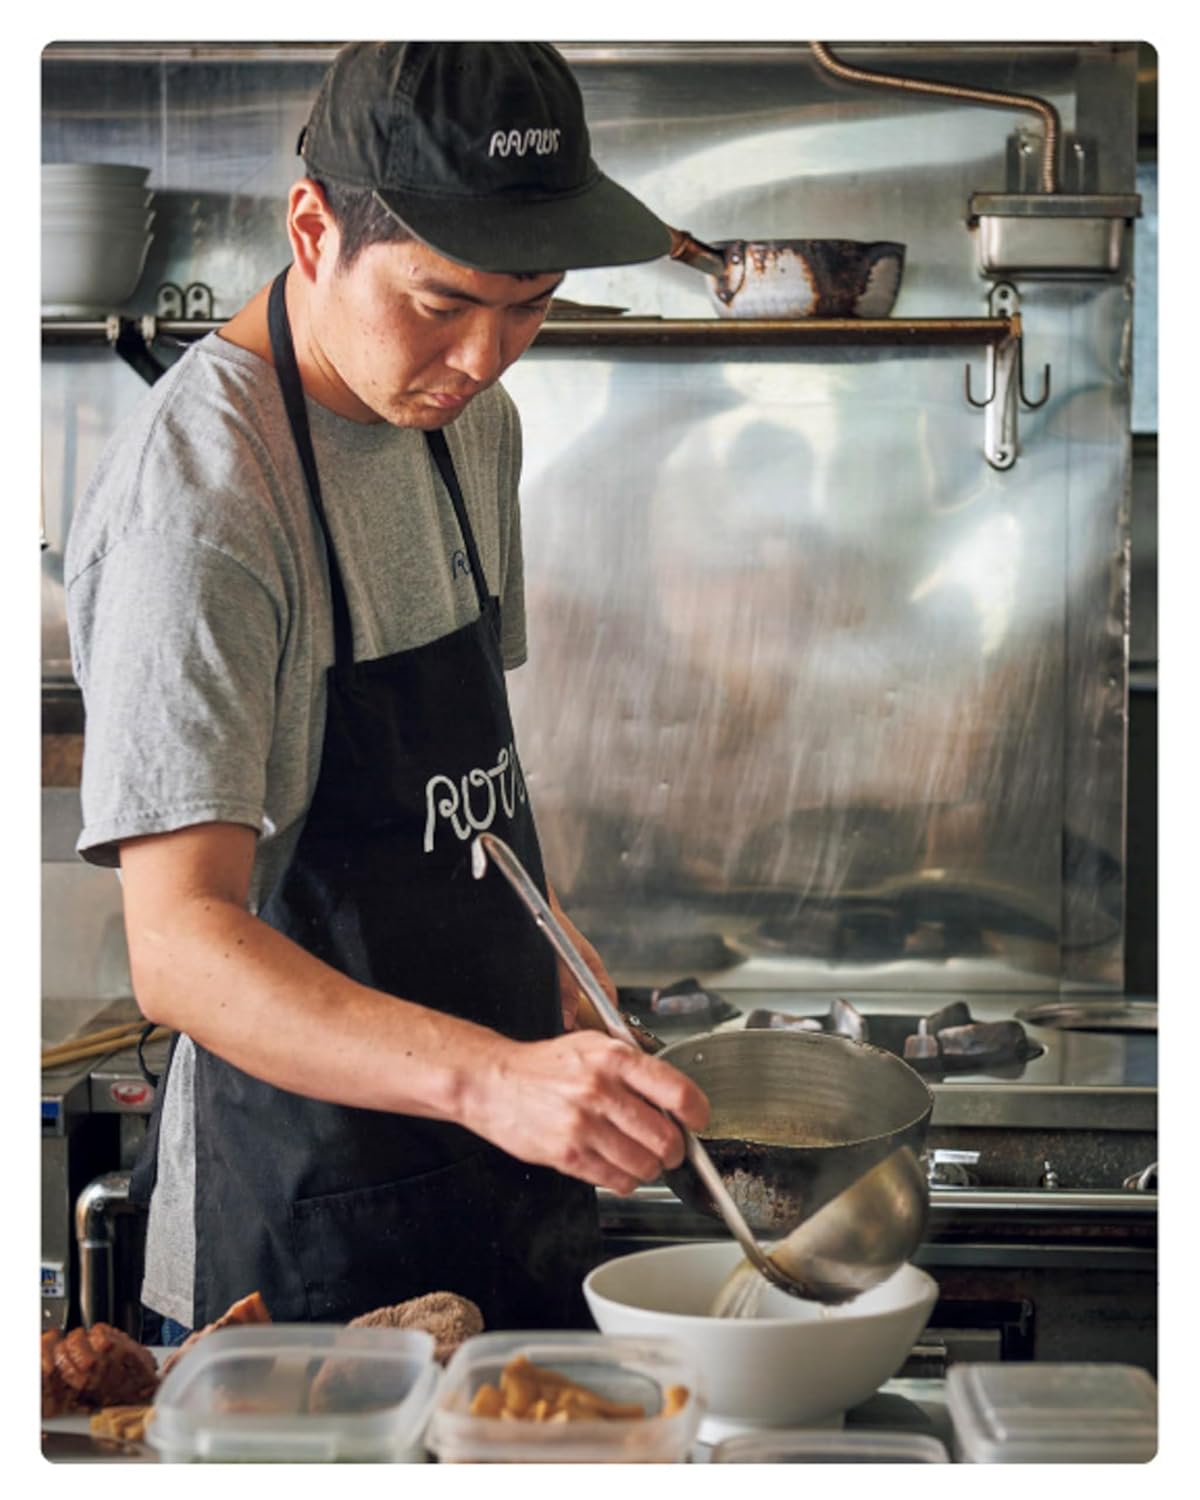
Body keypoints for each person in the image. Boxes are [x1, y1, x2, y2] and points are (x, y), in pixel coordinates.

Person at [64, 41, 709, 1339]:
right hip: (300, 1228)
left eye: (530, 303)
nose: (486, 356)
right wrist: (492, 1079)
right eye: (441, 301)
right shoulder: (200, 508)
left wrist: (561, 969)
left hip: (503, 1181)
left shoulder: (469, 422)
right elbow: (181, 950)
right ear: (312, 230)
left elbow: (459, 801)